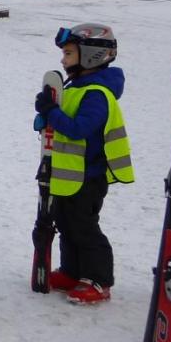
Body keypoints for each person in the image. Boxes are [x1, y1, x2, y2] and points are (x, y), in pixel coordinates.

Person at [33, 22, 134, 305]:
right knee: (65, 223)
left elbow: (78, 129)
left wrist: (53, 111)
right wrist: (46, 115)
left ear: (91, 54)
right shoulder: (76, 87)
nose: (63, 60)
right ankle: (72, 271)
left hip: (89, 175)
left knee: (84, 227)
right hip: (68, 174)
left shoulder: (97, 93)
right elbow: (61, 124)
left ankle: (99, 279)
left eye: (68, 53)